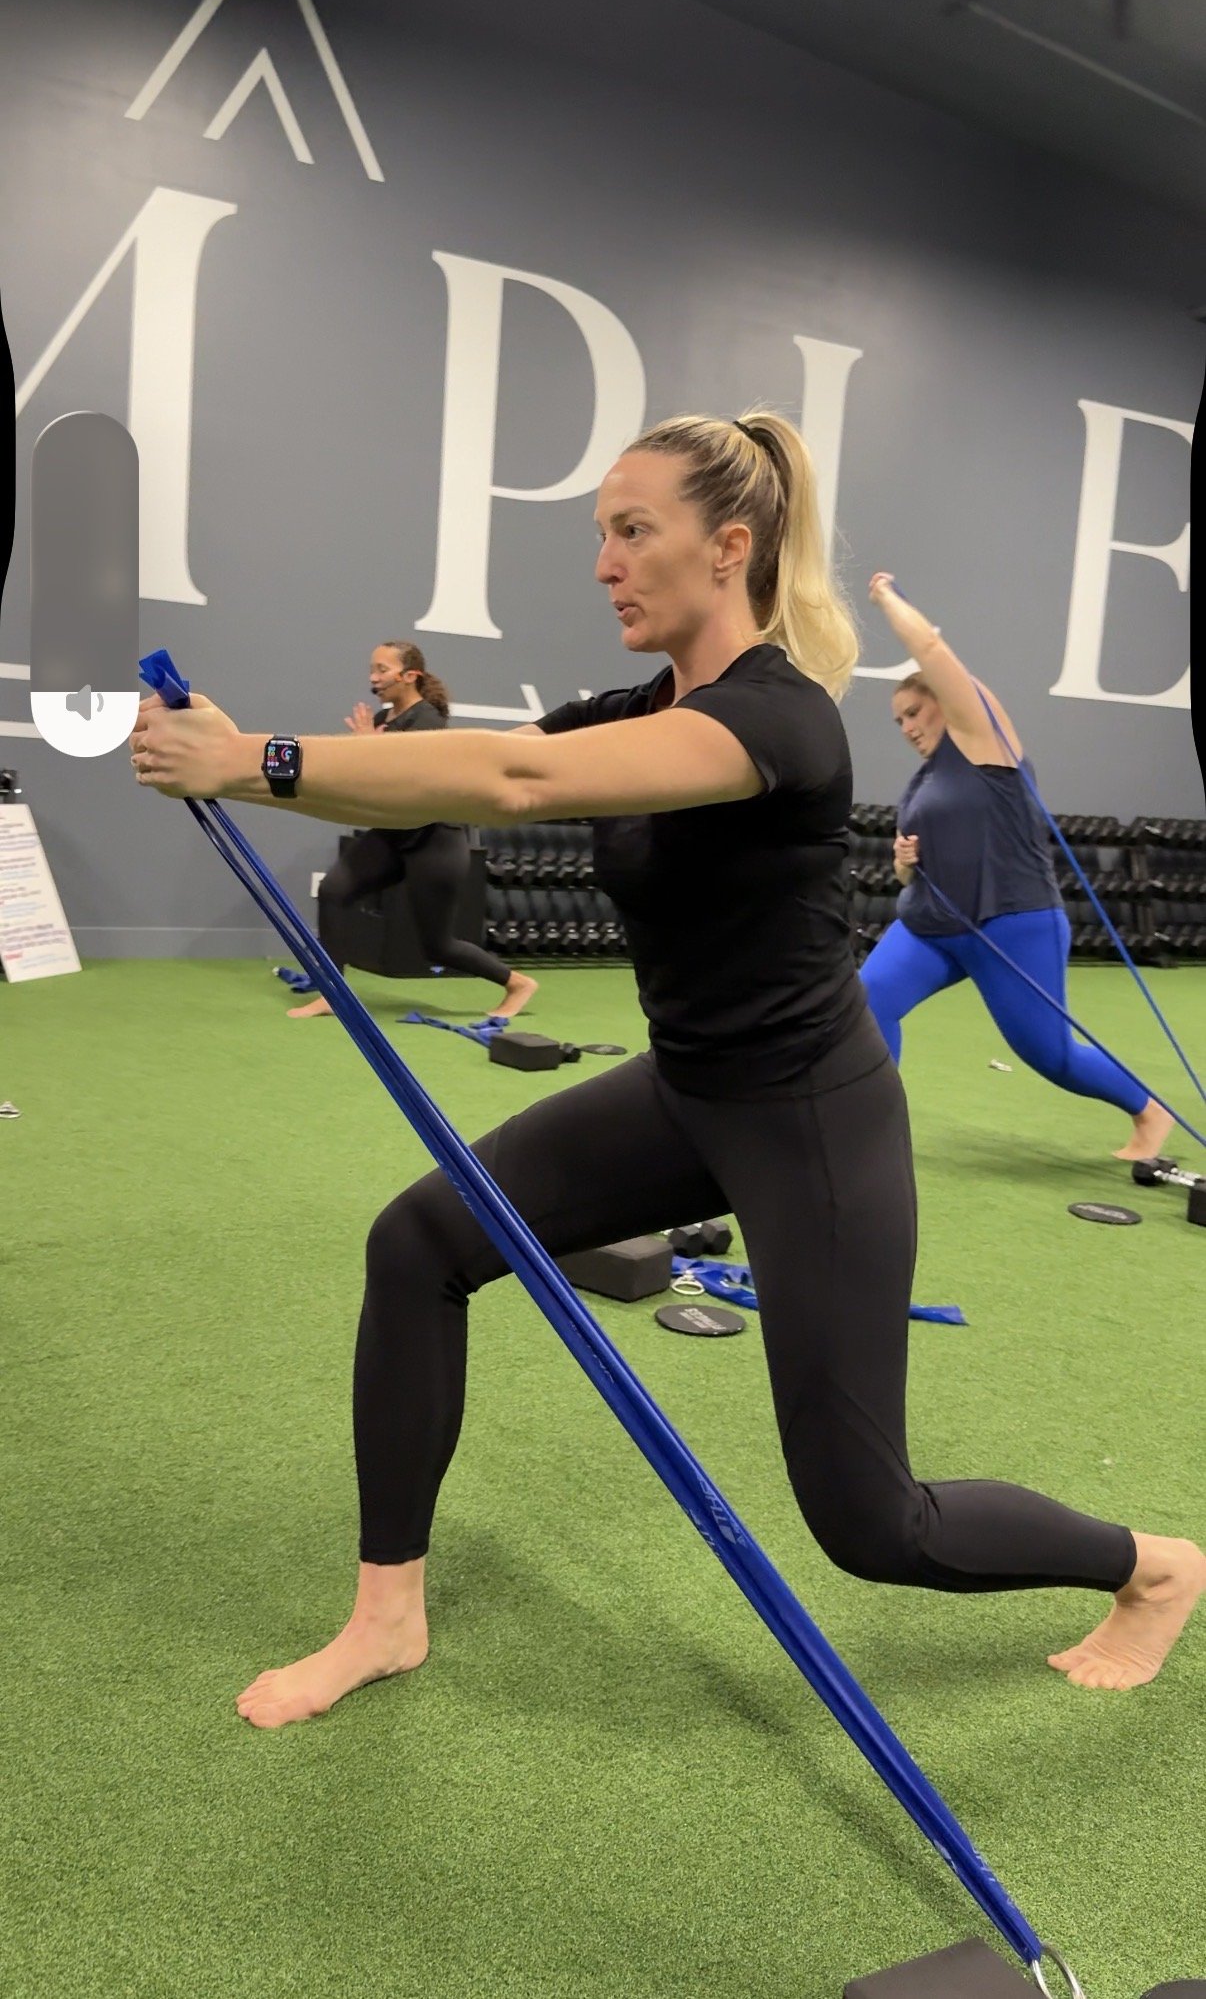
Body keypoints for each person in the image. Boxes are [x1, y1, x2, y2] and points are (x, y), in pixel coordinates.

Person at [130, 410, 1205, 1728]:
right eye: (602, 534)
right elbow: (441, 786)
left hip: (809, 1118)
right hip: (688, 1090)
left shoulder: (782, 722)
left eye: (630, 530)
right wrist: (251, 766)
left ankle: (1150, 1567)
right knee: (419, 1244)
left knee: (869, 1521)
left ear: (728, 548)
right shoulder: (641, 710)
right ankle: (385, 1614)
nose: (604, 561)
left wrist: (257, 760)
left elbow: (520, 780)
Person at [859, 575, 1174, 1163]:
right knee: (869, 998)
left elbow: (930, 650)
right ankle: (879, 1135)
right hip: (932, 925)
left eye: (914, 710)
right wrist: (905, 866)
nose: (906, 726)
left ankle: (1150, 1111)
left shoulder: (984, 739)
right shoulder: (922, 782)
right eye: (896, 720)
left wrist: (886, 598)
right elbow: (913, 875)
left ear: (942, 699)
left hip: (1012, 923)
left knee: (1047, 1052)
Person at [285, 639, 536, 1022]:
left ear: (410, 676)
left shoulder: (429, 721)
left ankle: (517, 983)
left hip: (435, 842)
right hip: (393, 834)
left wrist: (370, 750)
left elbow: (412, 780)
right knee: (335, 891)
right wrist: (357, 754)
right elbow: (372, 784)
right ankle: (332, 994)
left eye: (382, 670)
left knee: (436, 946)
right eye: (372, 670)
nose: (374, 678)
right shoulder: (384, 722)